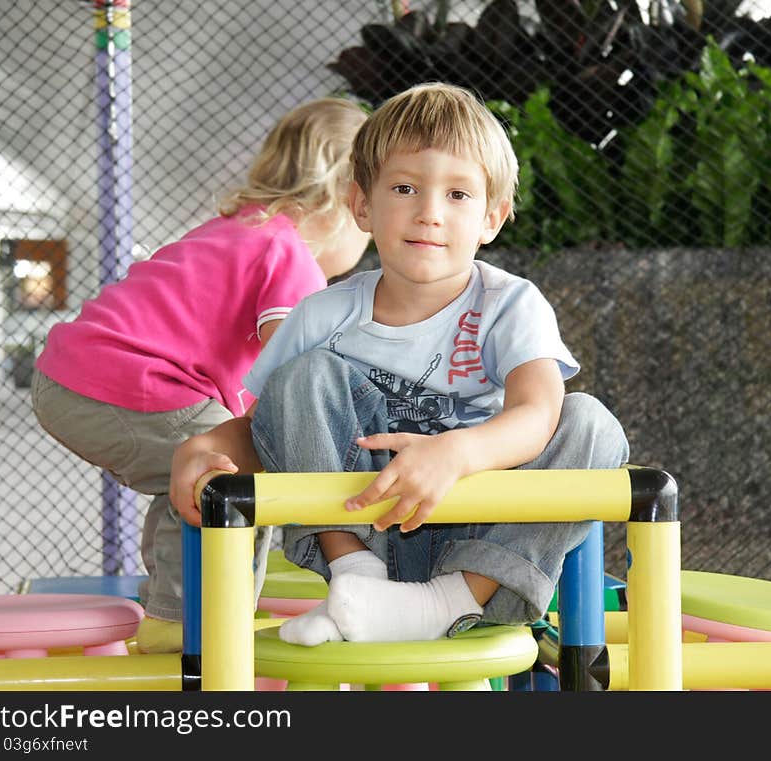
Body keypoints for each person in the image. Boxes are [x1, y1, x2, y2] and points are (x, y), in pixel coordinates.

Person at [170, 82, 629, 647]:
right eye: (406, 187)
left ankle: (445, 602)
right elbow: (267, 430)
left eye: (458, 195)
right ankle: (356, 582)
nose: (429, 214)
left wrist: (456, 452)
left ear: (493, 216)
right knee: (303, 376)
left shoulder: (509, 303)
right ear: (363, 206)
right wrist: (199, 450)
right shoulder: (322, 314)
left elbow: (538, 412)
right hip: (368, 526)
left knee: (590, 423)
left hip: (484, 537)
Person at [31, 97, 370, 653]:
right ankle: (191, 625)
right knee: (238, 482)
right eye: (369, 226)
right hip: (122, 378)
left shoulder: (238, 230)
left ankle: (170, 608)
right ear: (343, 200)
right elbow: (290, 376)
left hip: (73, 376)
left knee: (194, 474)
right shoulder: (288, 254)